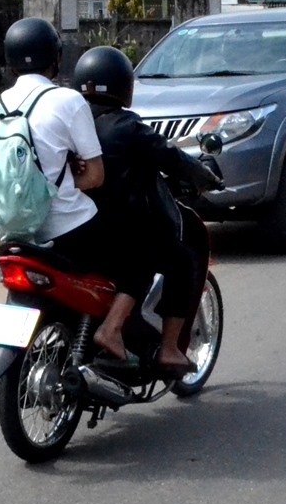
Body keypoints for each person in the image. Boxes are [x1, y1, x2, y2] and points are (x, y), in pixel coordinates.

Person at [0, 18, 145, 362]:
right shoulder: (67, 101)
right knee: (141, 255)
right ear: (55, 58)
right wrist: (69, 180)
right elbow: (96, 176)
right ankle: (110, 331)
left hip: (14, 230)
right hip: (69, 229)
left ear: (9, 59)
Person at [72, 45, 218, 373]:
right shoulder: (125, 125)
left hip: (68, 231)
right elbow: (170, 156)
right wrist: (205, 176)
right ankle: (161, 347)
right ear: (124, 84)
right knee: (177, 259)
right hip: (110, 233)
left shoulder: (67, 121)